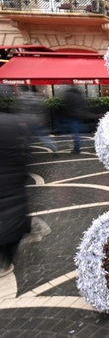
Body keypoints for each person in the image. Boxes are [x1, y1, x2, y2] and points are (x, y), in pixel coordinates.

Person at [0, 112, 30, 277]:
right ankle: (6, 256)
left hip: (11, 176)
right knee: (15, 214)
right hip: (13, 178)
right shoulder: (12, 121)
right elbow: (24, 149)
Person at [16, 90, 57, 157]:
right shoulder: (36, 99)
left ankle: (28, 154)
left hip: (27, 122)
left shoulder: (21, 99)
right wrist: (42, 120)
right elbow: (41, 110)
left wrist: (21, 121)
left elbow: (20, 111)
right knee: (43, 137)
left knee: (27, 139)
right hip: (37, 121)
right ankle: (53, 148)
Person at [59, 87, 87, 153]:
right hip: (79, 115)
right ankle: (78, 146)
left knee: (75, 132)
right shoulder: (79, 95)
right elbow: (83, 104)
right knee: (76, 132)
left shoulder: (69, 95)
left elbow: (67, 105)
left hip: (72, 116)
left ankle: (77, 147)